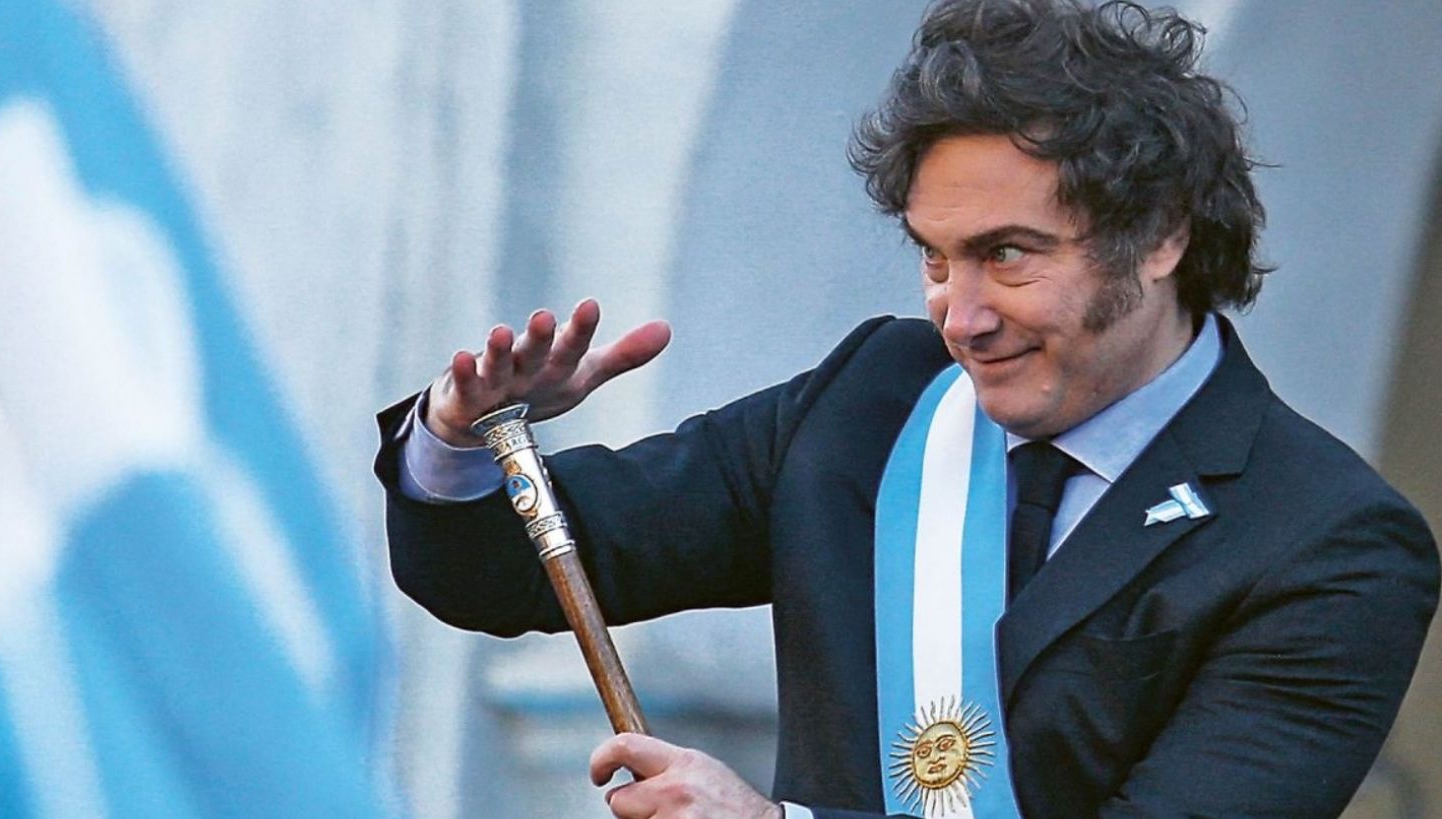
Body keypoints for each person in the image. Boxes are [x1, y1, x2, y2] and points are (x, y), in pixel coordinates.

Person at [374, 1, 1440, 816]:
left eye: (1007, 255)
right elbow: (506, 568)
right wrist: (464, 439)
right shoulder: (874, 398)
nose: (960, 318)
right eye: (935, 259)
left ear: (1159, 237)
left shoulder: (1329, 543)